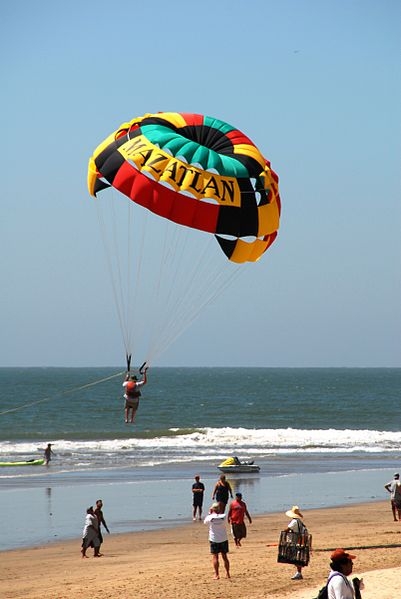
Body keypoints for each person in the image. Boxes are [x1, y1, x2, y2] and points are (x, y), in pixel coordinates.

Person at [204, 502, 230, 580]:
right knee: (224, 556)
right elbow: (227, 521)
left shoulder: (210, 517)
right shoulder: (224, 516)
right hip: (223, 538)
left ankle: (217, 574)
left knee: (215, 557)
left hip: (214, 539)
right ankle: (227, 573)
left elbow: (205, 522)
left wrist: (210, 513)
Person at [284, 505, 309, 580]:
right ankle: (299, 572)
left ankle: (299, 572)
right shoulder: (299, 521)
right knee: (296, 557)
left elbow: (287, 529)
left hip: (296, 540)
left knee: (294, 557)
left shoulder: (294, 521)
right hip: (300, 540)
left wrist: (284, 533)